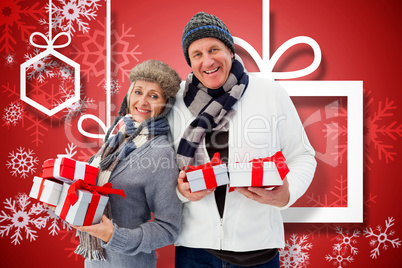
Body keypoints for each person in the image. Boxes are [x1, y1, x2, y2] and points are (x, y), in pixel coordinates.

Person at [167, 12, 317, 267]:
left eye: (214, 49)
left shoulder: (270, 93)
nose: (208, 60)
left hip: (260, 250)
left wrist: (286, 195)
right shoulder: (175, 102)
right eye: (197, 54)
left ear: (231, 51)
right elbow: (160, 168)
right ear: (189, 62)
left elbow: (302, 155)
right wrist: (180, 192)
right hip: (195, 252)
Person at [71, 59, 183, 268]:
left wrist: (115, 235)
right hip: (95, 262)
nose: (143, 102)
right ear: (129, 94)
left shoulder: (160, 153)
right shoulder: (117, 139)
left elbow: (168, 229)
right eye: (138, 92)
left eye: (154, 96)